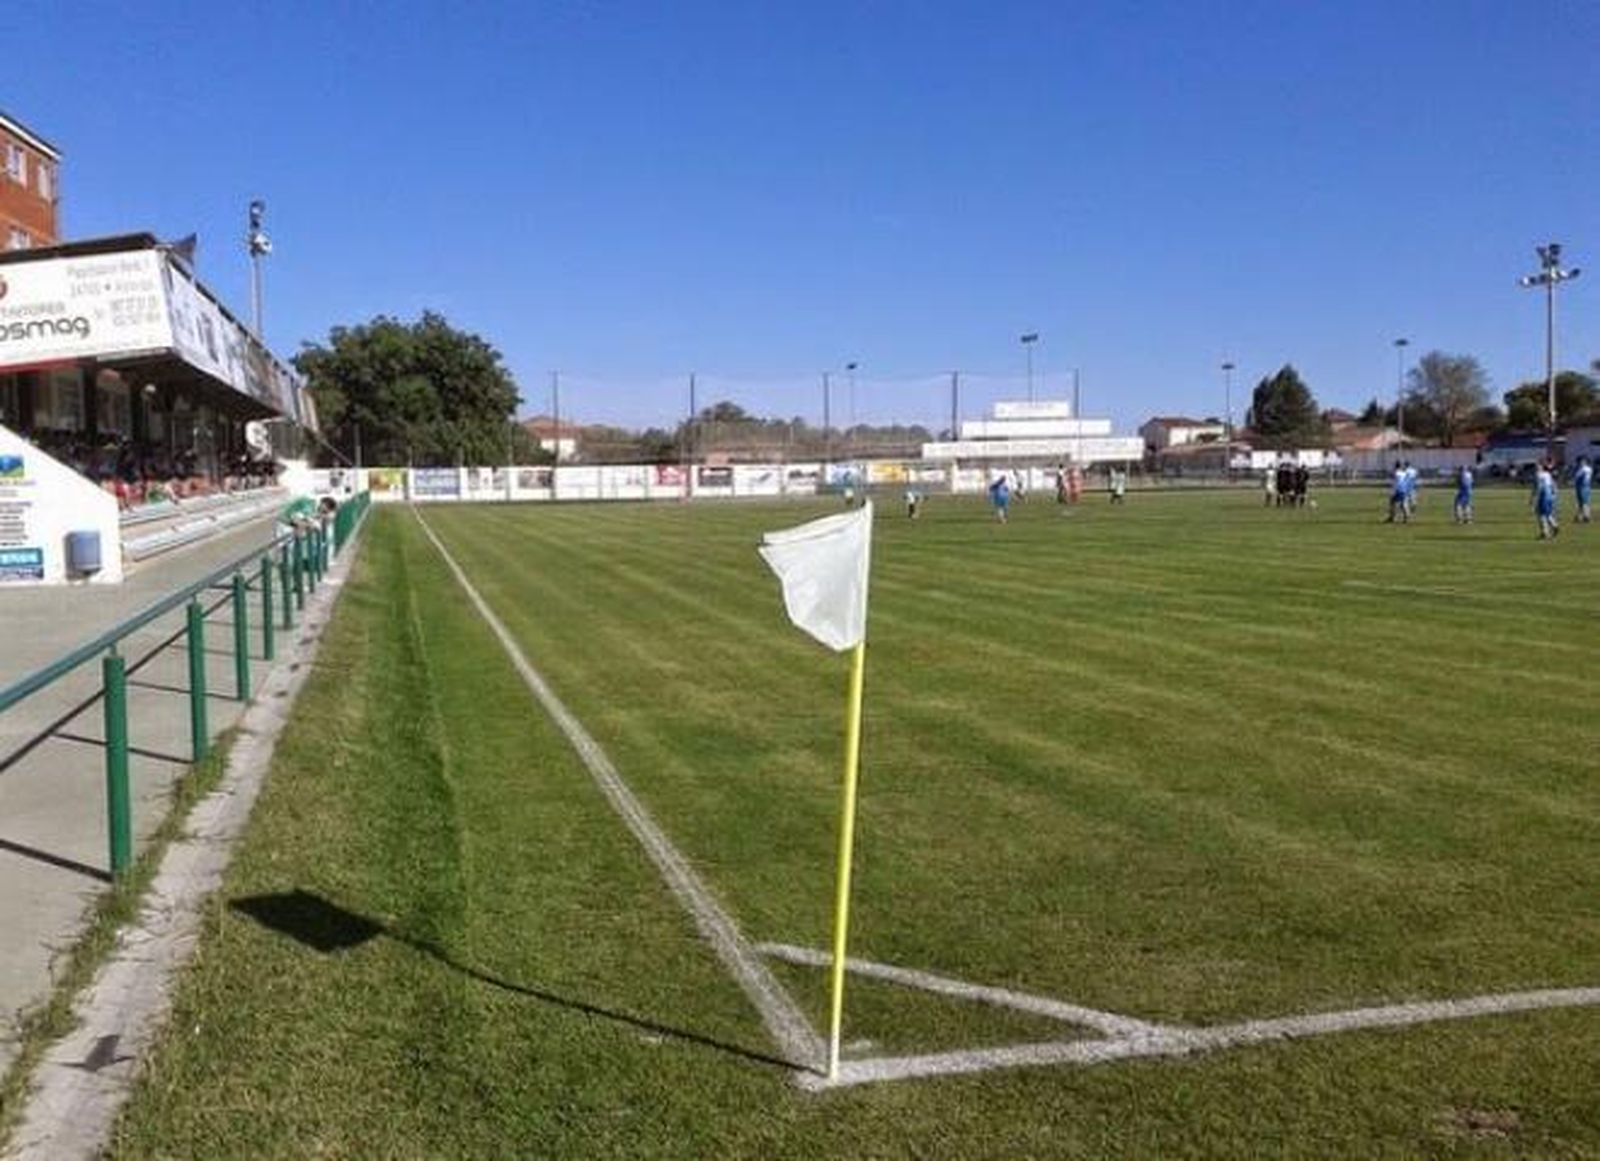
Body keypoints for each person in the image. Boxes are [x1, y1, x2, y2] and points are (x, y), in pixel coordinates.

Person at [1533, 459, 1560, 539]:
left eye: (1538, 465)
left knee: (1541, 515)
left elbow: (1538, 487)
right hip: (1549, 496)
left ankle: (1545, 532)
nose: (1536, 467)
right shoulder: (1547, 474)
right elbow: (1553, 485)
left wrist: (1534, 498)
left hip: (1543, 496)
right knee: (1547, 514)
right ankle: (1554, 526)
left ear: (1541, 466)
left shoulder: (1538, 475)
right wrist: (1554, 494)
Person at [1574, 455, 1593, 523]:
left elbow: (1578, 478)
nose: (1580, 463)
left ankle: (1585, 516)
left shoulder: (1584, 469)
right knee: (1582, 502)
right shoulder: (1586, 469)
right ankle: (1581, 516)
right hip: (1582, 487)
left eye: (1582, 461)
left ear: (1585, 461)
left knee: (1584, 502)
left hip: (1583, 487)